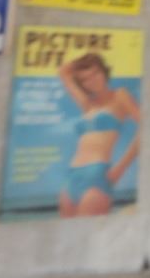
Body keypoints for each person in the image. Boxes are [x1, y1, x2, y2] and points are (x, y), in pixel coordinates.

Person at [58, 52, 140, 217]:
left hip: (97, 174)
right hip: (72, 175)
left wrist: (120, 169)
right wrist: (80, 65)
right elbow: (63, 72)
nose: (92, 80)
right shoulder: (87, 104)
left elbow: (147, 128)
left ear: (104, 71)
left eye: (96, 73)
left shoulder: (120, 96)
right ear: (82, 84)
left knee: (88, 231)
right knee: (65, 231)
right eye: (85, 79)